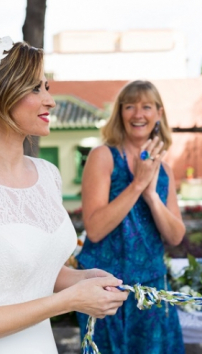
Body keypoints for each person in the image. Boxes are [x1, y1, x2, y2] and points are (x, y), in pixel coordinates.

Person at [0, 36, 128, 354]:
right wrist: (68, 301)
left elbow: (31, 271)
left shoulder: (47, 176)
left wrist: (82, 280)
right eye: (35, 89)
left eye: (46, 87)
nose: (50, 100)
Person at [76, 80, 186, 353]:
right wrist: (137, 185)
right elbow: (95, 229)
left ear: (158, 113)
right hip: (106, 289)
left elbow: (175, 235)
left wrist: (150, 194)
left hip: (151, 291)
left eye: (146, 106)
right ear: (120, 113)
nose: (138, 114)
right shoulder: (103, 157)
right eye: (130, 107)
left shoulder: (165, 171)